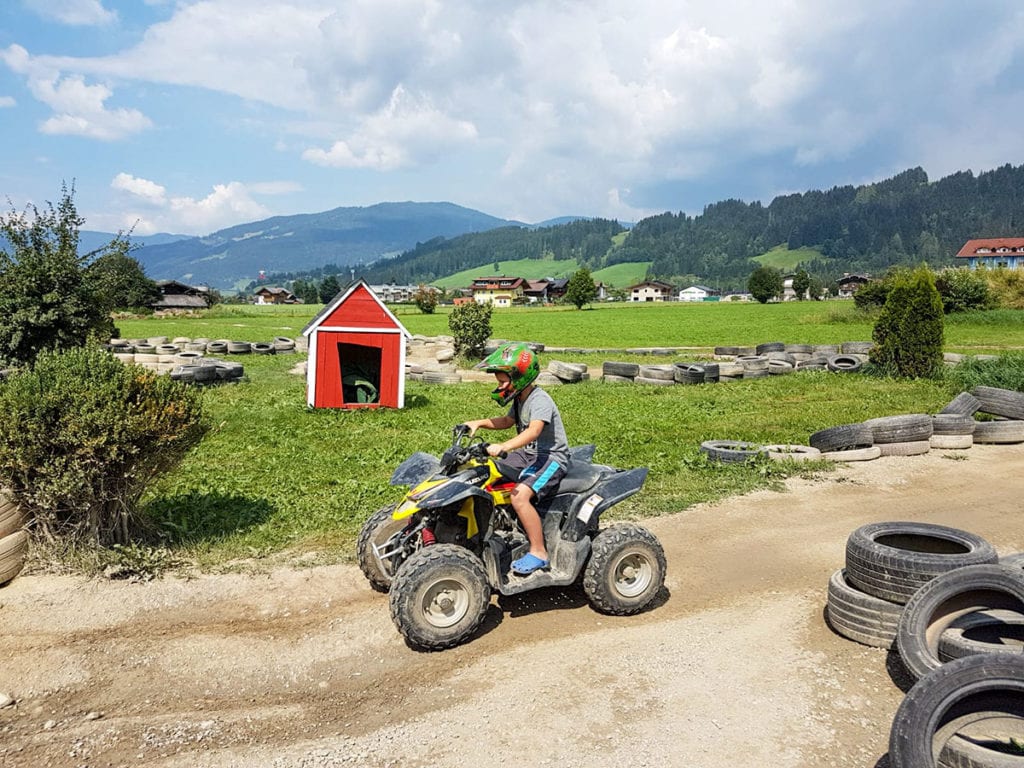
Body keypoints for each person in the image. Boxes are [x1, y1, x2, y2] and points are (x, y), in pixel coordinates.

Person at [463, 342, 570, 575]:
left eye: (502, 382)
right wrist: (478, 423)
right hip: (528, 454)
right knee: (486, 474)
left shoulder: (540, 400)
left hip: (550, 457)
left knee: (519, 496)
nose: (500, 386)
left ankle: (539, 552)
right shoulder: (519, 398)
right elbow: (507, 422)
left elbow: (533, 431)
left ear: (520, 377)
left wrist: (504, 446)